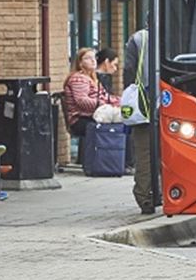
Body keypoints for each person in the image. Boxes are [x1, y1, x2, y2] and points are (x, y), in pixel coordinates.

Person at [124, 29, 155, 214]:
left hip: (143, 106)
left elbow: (129, 70)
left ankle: (144, 197)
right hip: (174, 101)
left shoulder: (138, 38)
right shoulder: (179, 30)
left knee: (144, 153)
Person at [62, 47, 121, 140]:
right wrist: (104, 104)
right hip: (80, 119)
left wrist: (119, 101)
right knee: (118, 124)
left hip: (93, 115)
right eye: (88, 58)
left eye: (94, 58)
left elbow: (105, 96)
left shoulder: (93, 78)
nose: (93, 61)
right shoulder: (78, 79)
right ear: (80, 63)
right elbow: (82, 101)